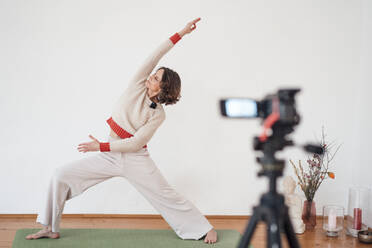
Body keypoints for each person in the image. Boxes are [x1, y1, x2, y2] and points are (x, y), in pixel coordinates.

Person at [26, 17, 218, 244]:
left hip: (135, 158)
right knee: (60, 175)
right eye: (154, 74)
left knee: (165, 194)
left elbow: (136, 143)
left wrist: (100, 146)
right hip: (110, 154)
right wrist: (181, 33)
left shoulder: (158, 115)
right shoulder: (138, 83)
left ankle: (204, 229)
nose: (151, 76)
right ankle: (50, 227)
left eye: (156, 78)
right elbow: (154, 56)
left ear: (162, 88)